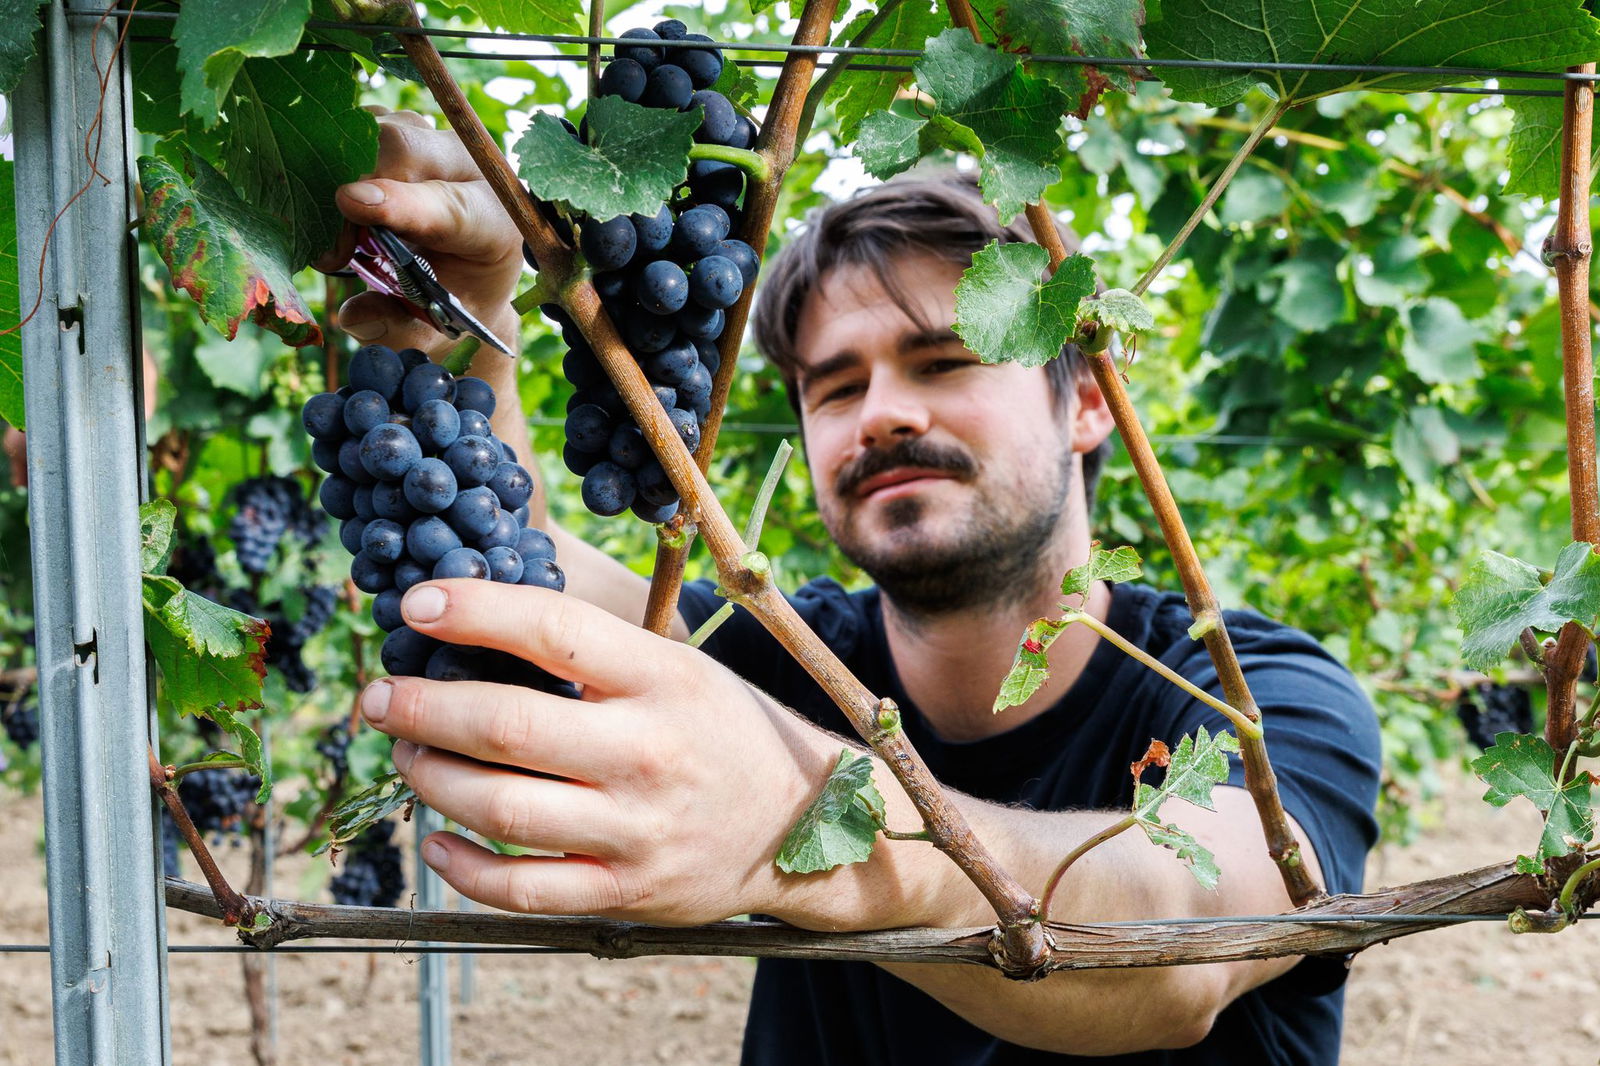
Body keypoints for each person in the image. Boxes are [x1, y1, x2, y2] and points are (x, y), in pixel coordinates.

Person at [325, 110, 1383, 1064]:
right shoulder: (774, 658)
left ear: (1089, 406)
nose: (878, 411)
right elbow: (518, 573)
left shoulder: (1257, 698)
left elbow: (1179, 946)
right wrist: (457, 319)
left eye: (944, 361)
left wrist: (800, 827)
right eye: (835, 384)